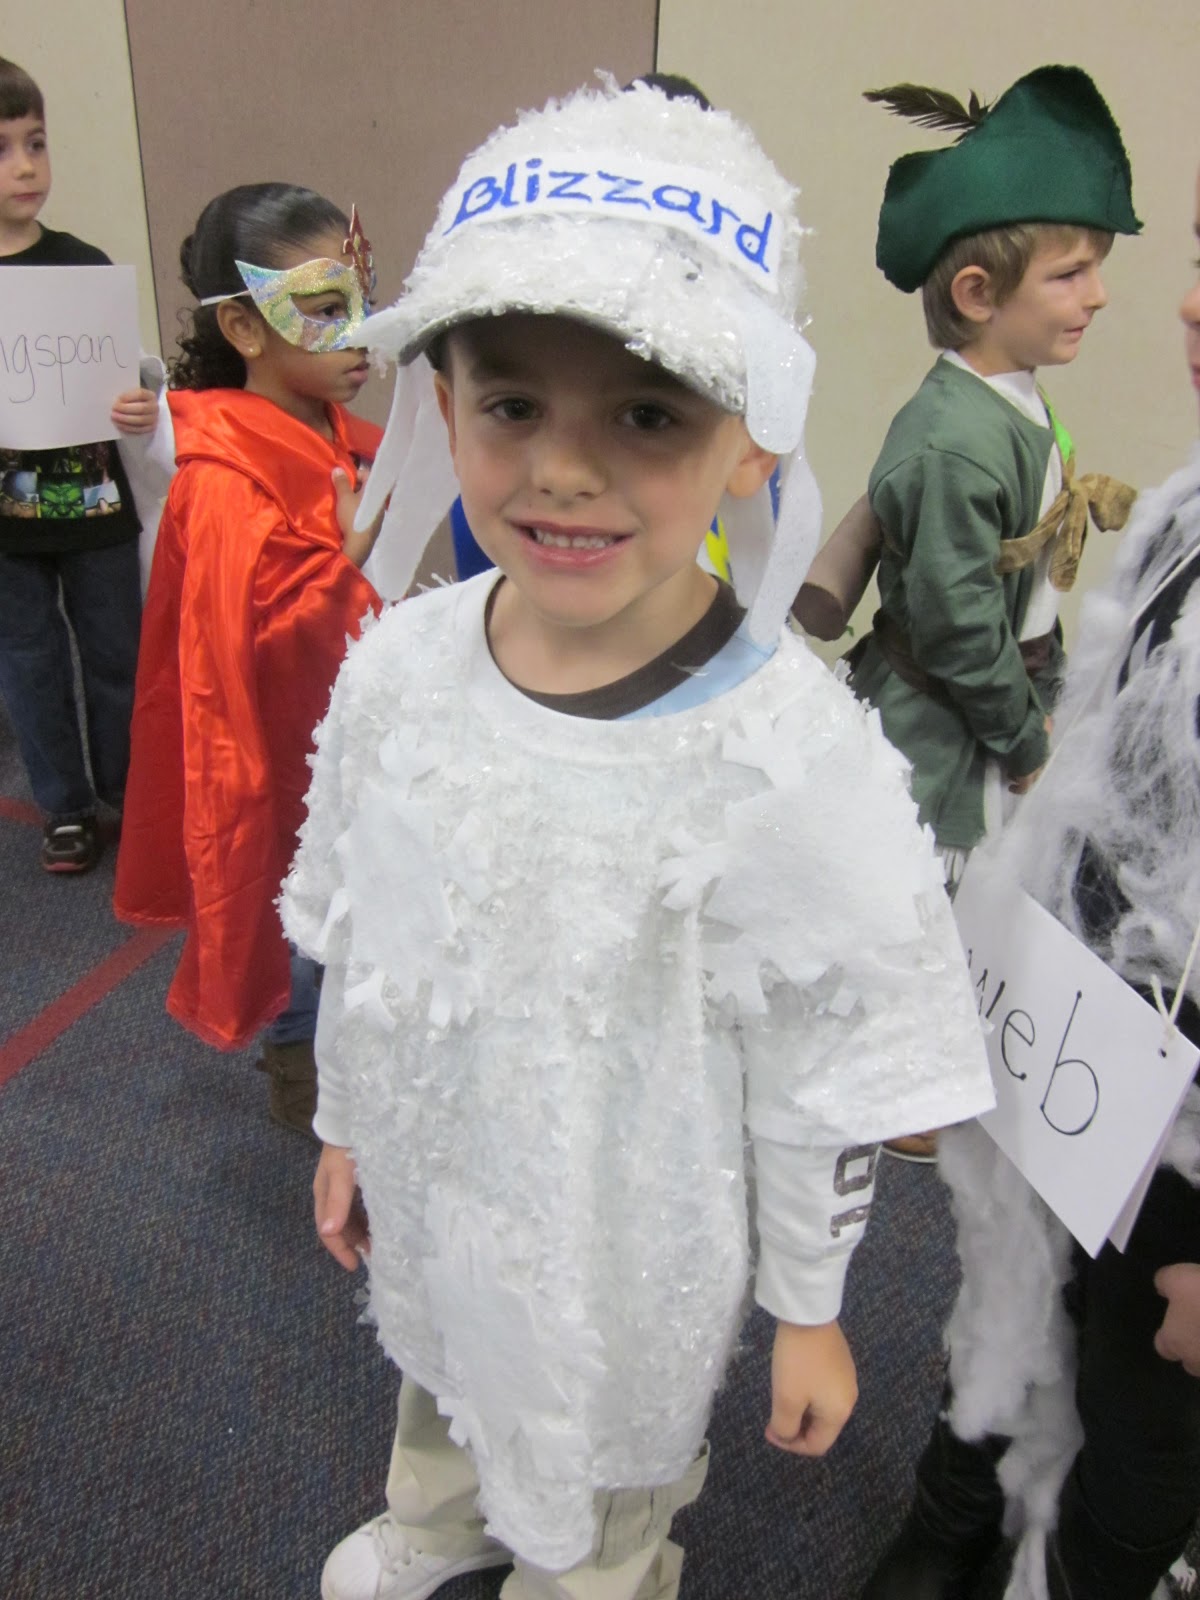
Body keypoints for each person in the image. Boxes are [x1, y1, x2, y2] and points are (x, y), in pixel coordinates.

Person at [280, 78, 995, 1600]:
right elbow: (360, 922)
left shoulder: (781, 749)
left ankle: (596, 1572)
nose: (564, 470)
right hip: (442, 1158)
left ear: (753, 437)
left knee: (603, 1443)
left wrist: (810, 1302)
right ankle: (442, 1505)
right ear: (447, 401)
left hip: (628, 1222)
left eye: (650, 414)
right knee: (445, 1350)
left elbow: (827, 1058)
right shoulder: (404, 663)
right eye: (514, 403)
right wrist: (350, 1117)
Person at [859, 166, 1200, 1600]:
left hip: (1186, 1153)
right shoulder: (1188, 505)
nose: (1177, 301)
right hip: (1107, 1032)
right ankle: (963, 1500)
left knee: (1143, 1414)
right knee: (1027, 1281)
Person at [845, 65, 1140, 1161]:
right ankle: (896, 1089)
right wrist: (1020, 738)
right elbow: (960, 623)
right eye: (1071, 274)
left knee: (971, 886)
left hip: (1006, 691)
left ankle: (944, 1065)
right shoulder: (954, 442)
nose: (1097, 297)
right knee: (918, 890)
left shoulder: (1011, 402)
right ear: (979, 294)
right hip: (942, 719)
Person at [113, 183, 382, 1134]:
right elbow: (250, 639)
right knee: (299, 919)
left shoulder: (346, 438)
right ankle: (300, 1071)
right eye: (324, 309)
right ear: (245, 325)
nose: (362, 332)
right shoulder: (222, 476)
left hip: (358, 734)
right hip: (281, 760)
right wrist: (359, 560)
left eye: (364, 296)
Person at [0, 55, 164, 875]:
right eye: (1, 150)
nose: (26, 167)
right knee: (27, 663)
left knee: (115, 653)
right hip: (6, 523)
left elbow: (126, 378)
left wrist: (138, 403)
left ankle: (128, 794)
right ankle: (64, 809)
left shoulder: (82, 263)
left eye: (35, 143)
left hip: (94, 504)